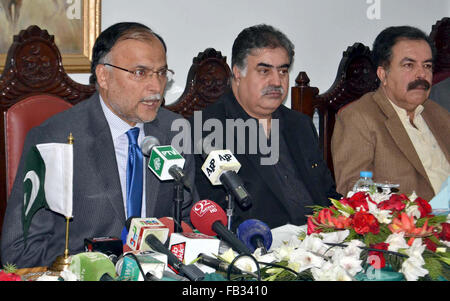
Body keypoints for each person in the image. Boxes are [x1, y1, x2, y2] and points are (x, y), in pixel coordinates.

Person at [1, 22, 196, 268]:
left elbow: (189, 220)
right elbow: (20, 248)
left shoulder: (174, 131)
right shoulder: (56, 138)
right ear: (104, 76)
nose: (156, 87)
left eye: (161, 73)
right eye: (140, 73)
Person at [190, 24, 340, 231]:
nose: (277, 81)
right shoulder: (206, 129)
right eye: (264, 71)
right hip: (261, 249)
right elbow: (216, 215)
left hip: (322, 240)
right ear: (238, 73)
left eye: (283, 71)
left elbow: (327, 193)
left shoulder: (300, 124)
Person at [331, 26, 450, 200]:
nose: (422, 74)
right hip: (412, 223)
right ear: (383, 74)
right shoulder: (358, 118)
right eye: (409, 65)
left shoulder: (438, 113)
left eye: (427, 66)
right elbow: (354, 191)